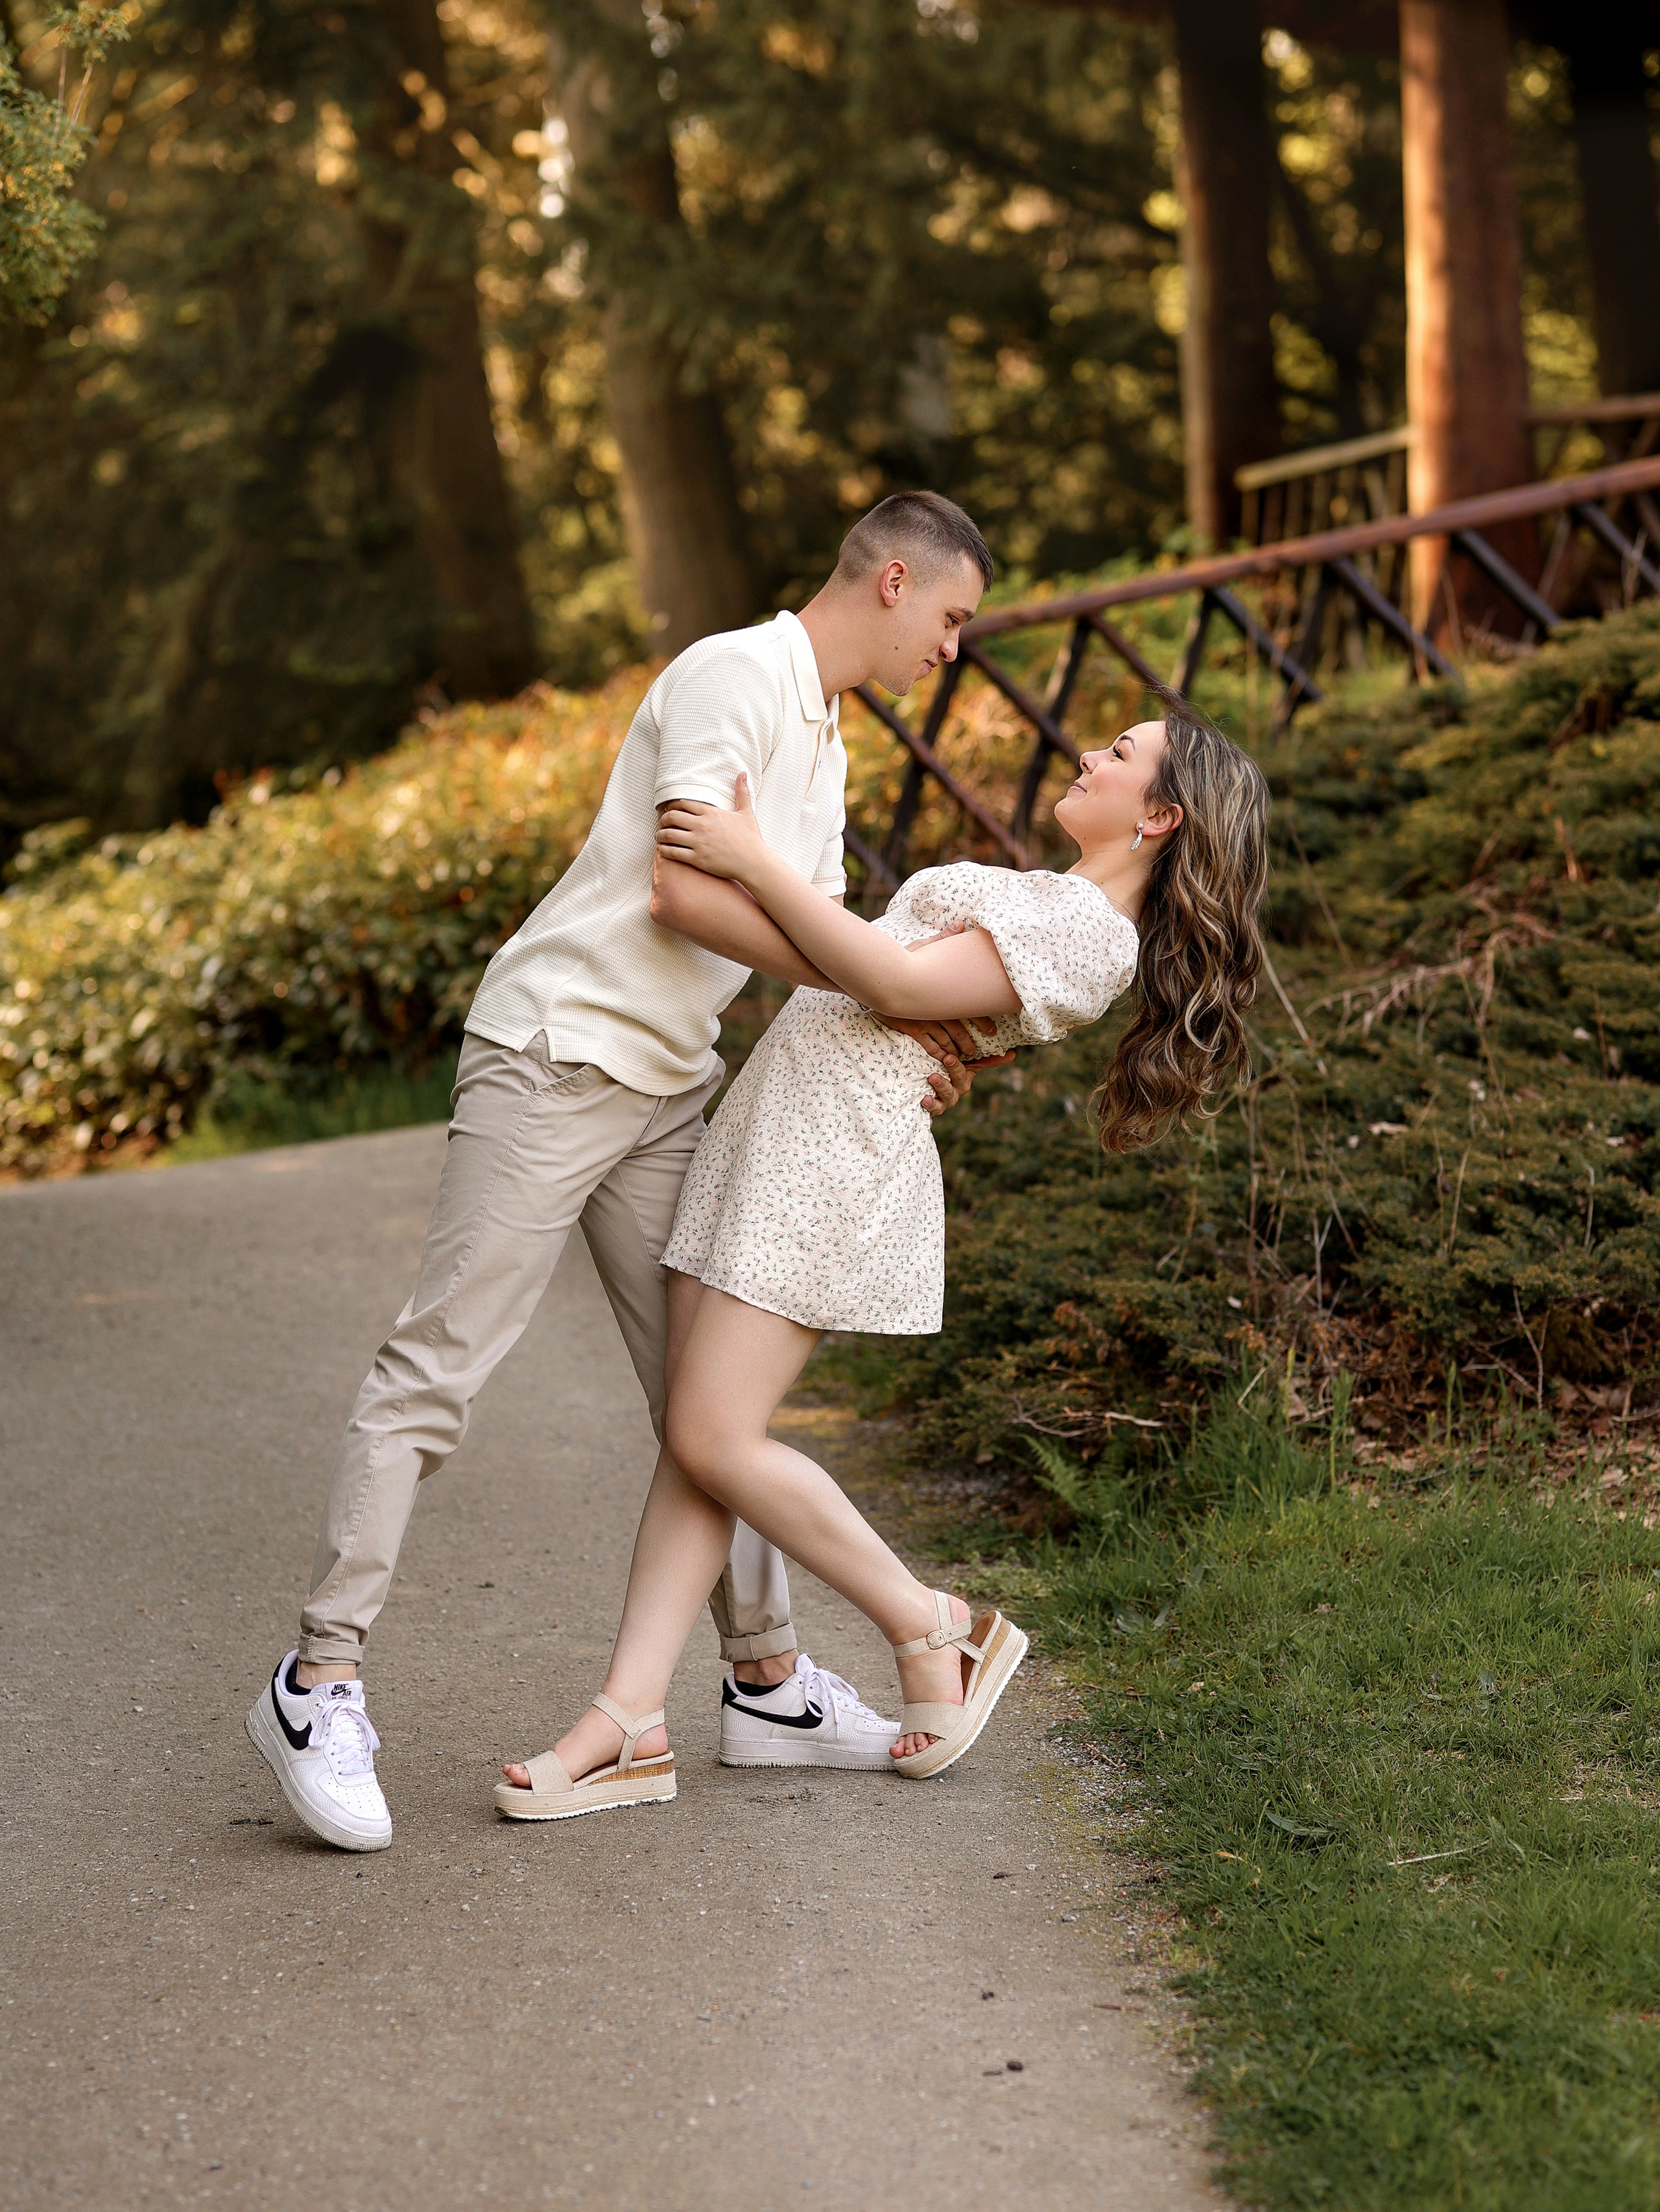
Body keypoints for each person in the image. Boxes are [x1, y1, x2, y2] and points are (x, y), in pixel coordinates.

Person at [246, 491, 1008, 1852]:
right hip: (554, 1055)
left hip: (671, 1084)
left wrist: (905, 1027)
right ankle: (319, 1677)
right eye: (951, 617)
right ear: (893, 581)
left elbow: (813, 942)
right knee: (440, 1367)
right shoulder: (734, 673)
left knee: (706, 1402)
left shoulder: (828, 739)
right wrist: (887, 987)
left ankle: (766, 1682)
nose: (952, 647)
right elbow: (689, 893)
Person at [495, 696, 1270, 1819]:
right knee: (695, 1442)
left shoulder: (1097, 932)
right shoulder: (1058, 902)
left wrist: (753, 861)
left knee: (711, 1434)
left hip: (836, 1156)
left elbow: (900, 986)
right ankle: (630, 1721)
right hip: (785, 1121)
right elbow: (906, 990)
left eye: (1120, 754)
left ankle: (932, 1624)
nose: (1088, 755)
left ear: (1161, 818)